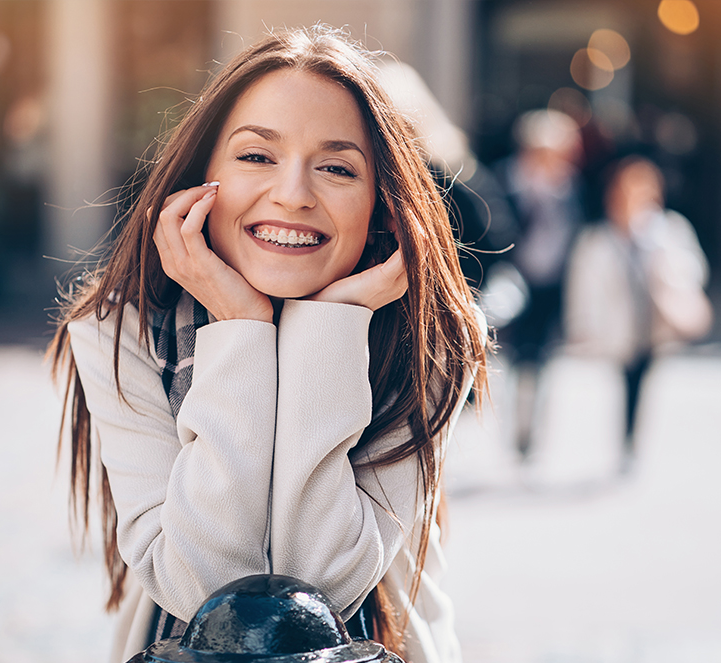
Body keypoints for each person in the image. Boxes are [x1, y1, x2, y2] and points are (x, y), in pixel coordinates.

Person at [47, 26, 487, 663]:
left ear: (383, 208)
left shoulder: (424, 344)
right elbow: (207, 589)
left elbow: (325, 582)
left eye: (337, 168)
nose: (293, 194)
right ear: (201, 181)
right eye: (257, 157)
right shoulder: (120, 335)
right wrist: (240, 326)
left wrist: (331, 328)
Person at [565, 155, 712, 468]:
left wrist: (664, 267)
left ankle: (631, 440)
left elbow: (693, 270)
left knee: (641, 379)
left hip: (653, 323)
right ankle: (625, 440)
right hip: (618, 327)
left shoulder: (667, 230)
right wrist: (581, 326)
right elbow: (584, 287)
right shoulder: (600, 236)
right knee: (625, 378)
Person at [495, 109, 586, 457]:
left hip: (553, 282)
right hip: (516, 279)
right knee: (515, 355)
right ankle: (516, 421)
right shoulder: (509, 180)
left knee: (541, 356)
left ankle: (530, 427)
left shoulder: (570, 185)